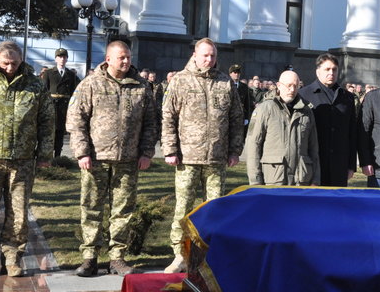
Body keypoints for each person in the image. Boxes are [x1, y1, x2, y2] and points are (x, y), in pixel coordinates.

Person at [67, 41, 158, 277]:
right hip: (96, 158)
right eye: (121, 58)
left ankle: (117, 258)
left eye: (128, 57)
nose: (126, 61)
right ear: (108, 59)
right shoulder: (90, 84)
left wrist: (146, 152)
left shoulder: (141, 86)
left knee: (123, 210)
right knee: (91, 207)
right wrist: (82, 152)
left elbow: (151, 123)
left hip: (128, 160)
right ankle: (90, 257)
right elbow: (76, 121)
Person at [162, 38, 245, 273]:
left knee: (215, 209)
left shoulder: (225, 82)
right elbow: (168, 117)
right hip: (187, 157)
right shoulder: (180, 80)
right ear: (195, 55)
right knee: (183, 208)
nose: (209, 60)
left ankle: (209, 254)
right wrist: (170, 150)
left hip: (216, 159)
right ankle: (180, 254)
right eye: (205, 55)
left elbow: (236, 119)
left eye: (213, 56)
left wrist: (234, 150)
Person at [0, 41, 54, 278]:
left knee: (18, 214)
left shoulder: (35, 85)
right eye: (6, 63)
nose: (10, 68)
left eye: (15, 63)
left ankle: (13, 258)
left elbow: (47, 121)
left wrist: (45, 154)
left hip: (23, 160)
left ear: (21, 61)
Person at [247, 70, 321, 186]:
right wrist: (255, 182)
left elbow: (313, 148)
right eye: (289, 85)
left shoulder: (307, 112)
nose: (292, 90)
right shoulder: (265, 109)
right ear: (279, 86)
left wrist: (316, 180)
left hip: (301, 181)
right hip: (273, 180)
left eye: (296, 86)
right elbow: (253, 146)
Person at [298, 54, 357, 187]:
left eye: (334, 69)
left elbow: (352, 133)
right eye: (327, 69)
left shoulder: (347, 97)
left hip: (339, 163)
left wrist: (351, 165)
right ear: (318, 71)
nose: (331, 73)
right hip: (314, 161)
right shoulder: (304, 95)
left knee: (336, 203)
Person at [43, 48, 80, 157]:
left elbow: (74, 92)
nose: (62, 59)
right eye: (60, 57)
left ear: (67, 59)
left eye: (64, 57)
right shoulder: (49, 73)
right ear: (55, 59)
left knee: (60, 132)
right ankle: (47, 156)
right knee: (50, 131)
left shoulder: (70, 74)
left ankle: (58, 156)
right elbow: (44, 90)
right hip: (52, 105)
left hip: (64, 107)